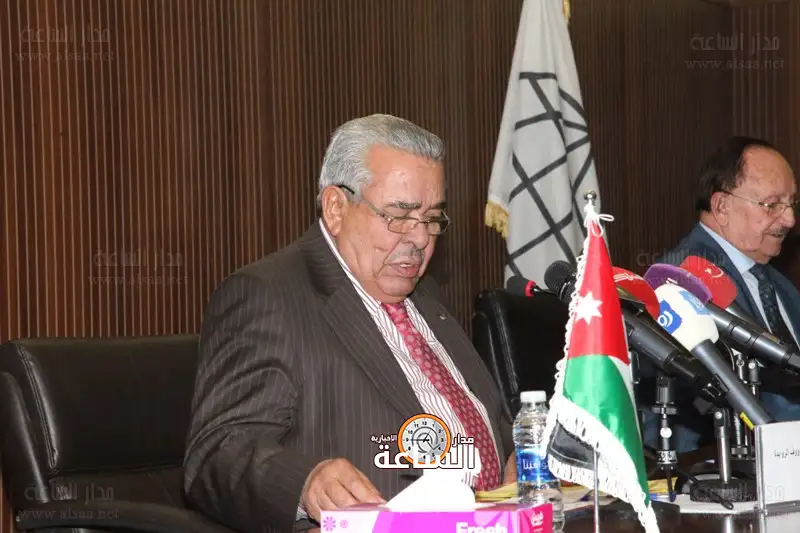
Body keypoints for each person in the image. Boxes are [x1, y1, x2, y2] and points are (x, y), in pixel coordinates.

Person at [182, 114, 515, 533]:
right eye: (398, 215)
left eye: (432, 218)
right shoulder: (269, 296)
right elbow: (216, 454)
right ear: (336, 208)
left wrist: (516, 453)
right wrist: (305, 483)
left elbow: (488, 417)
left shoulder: (427, 296)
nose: (419, 239)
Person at [649, 136, 800, 453]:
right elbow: (732, 391)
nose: (789, 220)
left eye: (791, 203)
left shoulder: (779, 284)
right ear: (721, 207)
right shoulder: (681, 281)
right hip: (712, 462)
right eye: (772, 204)